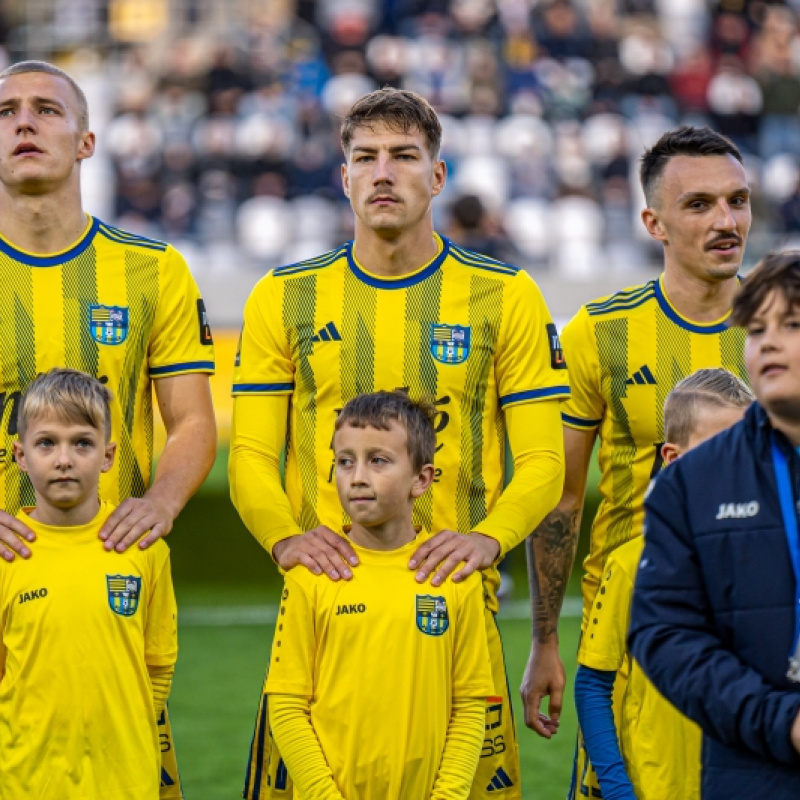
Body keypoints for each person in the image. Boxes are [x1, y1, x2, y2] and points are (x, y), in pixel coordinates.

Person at [231, 87, 568, 800]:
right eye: (366, 157)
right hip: (328, 609)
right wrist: (286, 542)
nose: (384, 173)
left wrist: (490, 540)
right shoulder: (283, 298)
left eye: (405, 156)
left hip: (454, 613)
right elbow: (252, 458)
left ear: (437, 177)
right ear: (343, 176)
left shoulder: (506, 295)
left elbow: (541, 461)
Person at [0, 60, 216, 797]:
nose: (23, 123)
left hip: (113, 580)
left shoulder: (152, 270)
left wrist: (160, 504)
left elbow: (190, 418)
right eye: (5, 112)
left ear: (87, 141)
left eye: (45, 110)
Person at [521, 125, 752, 795]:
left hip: (764, 640)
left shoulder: (783, 326)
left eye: (737, 201)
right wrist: (544, 642)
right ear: (653, 220)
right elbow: (562, 500)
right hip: (634, 643)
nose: (726, 220)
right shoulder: (599, 332)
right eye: (700, 204)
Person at [629, 252, 800, 799]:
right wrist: (782, 722)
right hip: (753, 775)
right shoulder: (691, 484)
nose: (768, 342)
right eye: (756, 328)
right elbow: (663, 633)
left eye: (791, 324)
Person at [266, 390, 494, 799]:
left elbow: (470, 707)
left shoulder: (454, 577)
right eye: (345, 461)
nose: (357, 477)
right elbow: (286, 707)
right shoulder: (311, 575)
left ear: (422, 479)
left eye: (379, 461)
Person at [575, 369, 753, 800]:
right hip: (659, 786)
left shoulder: (771, 556)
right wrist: (618, 789)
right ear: (673, 458)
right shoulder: (632, 564)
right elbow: (593, 685)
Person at [0, 368, 177, 799]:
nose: (64, 459)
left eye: (81, 442)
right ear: (20, 456)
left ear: (108, 455)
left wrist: (119, 741)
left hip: (126, 784)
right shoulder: (7, 556)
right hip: (27, 783)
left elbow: (157, 666)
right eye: (47, 443)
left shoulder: (143, 550)